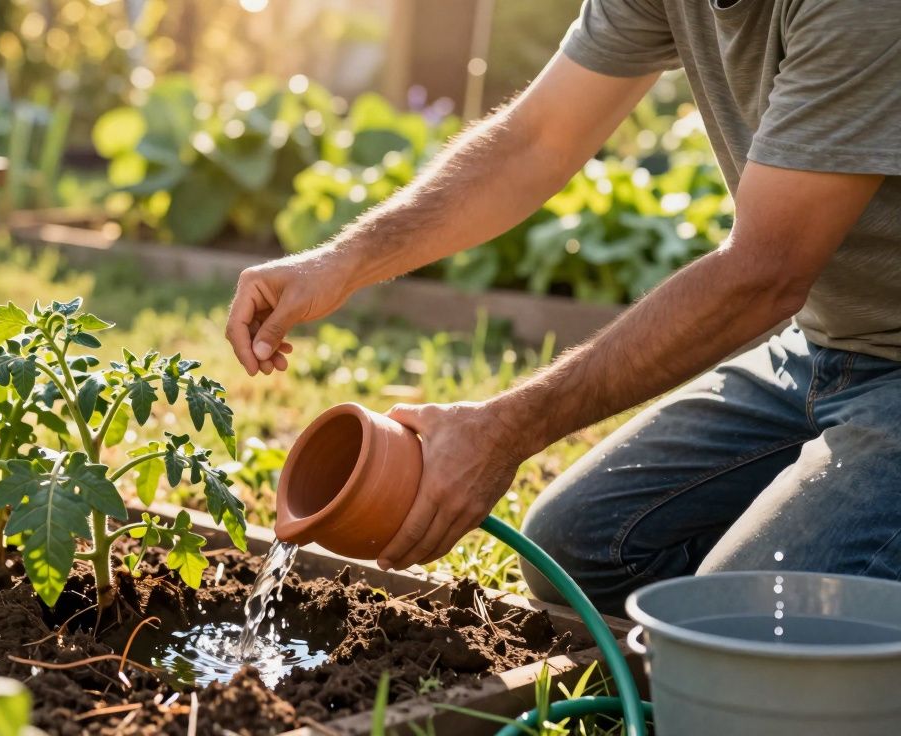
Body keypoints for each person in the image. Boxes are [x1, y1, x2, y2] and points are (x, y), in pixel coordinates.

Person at [224, 0, 901, 616]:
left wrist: (507, 428)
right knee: (582, 547)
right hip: (819, 350)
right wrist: (340, 260)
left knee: (742, 640)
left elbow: (763, 271)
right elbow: (535, 139)